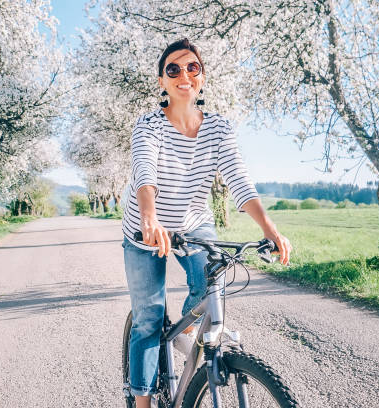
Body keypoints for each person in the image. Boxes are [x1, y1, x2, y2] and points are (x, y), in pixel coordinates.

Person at [122, 38, 292, 408]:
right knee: (148, 319)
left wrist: (270, 229)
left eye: (192, 68)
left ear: (201, 79)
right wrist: (149, 217)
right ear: (162, 82)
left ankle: (187, 341)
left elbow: (239, 181)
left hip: (193, 222)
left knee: (208, 292)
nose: (184, 74)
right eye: (174, 69)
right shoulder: (148, 125)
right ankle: (143, 401)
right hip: (144, 229)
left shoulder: (218, 128)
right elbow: (144, 172)